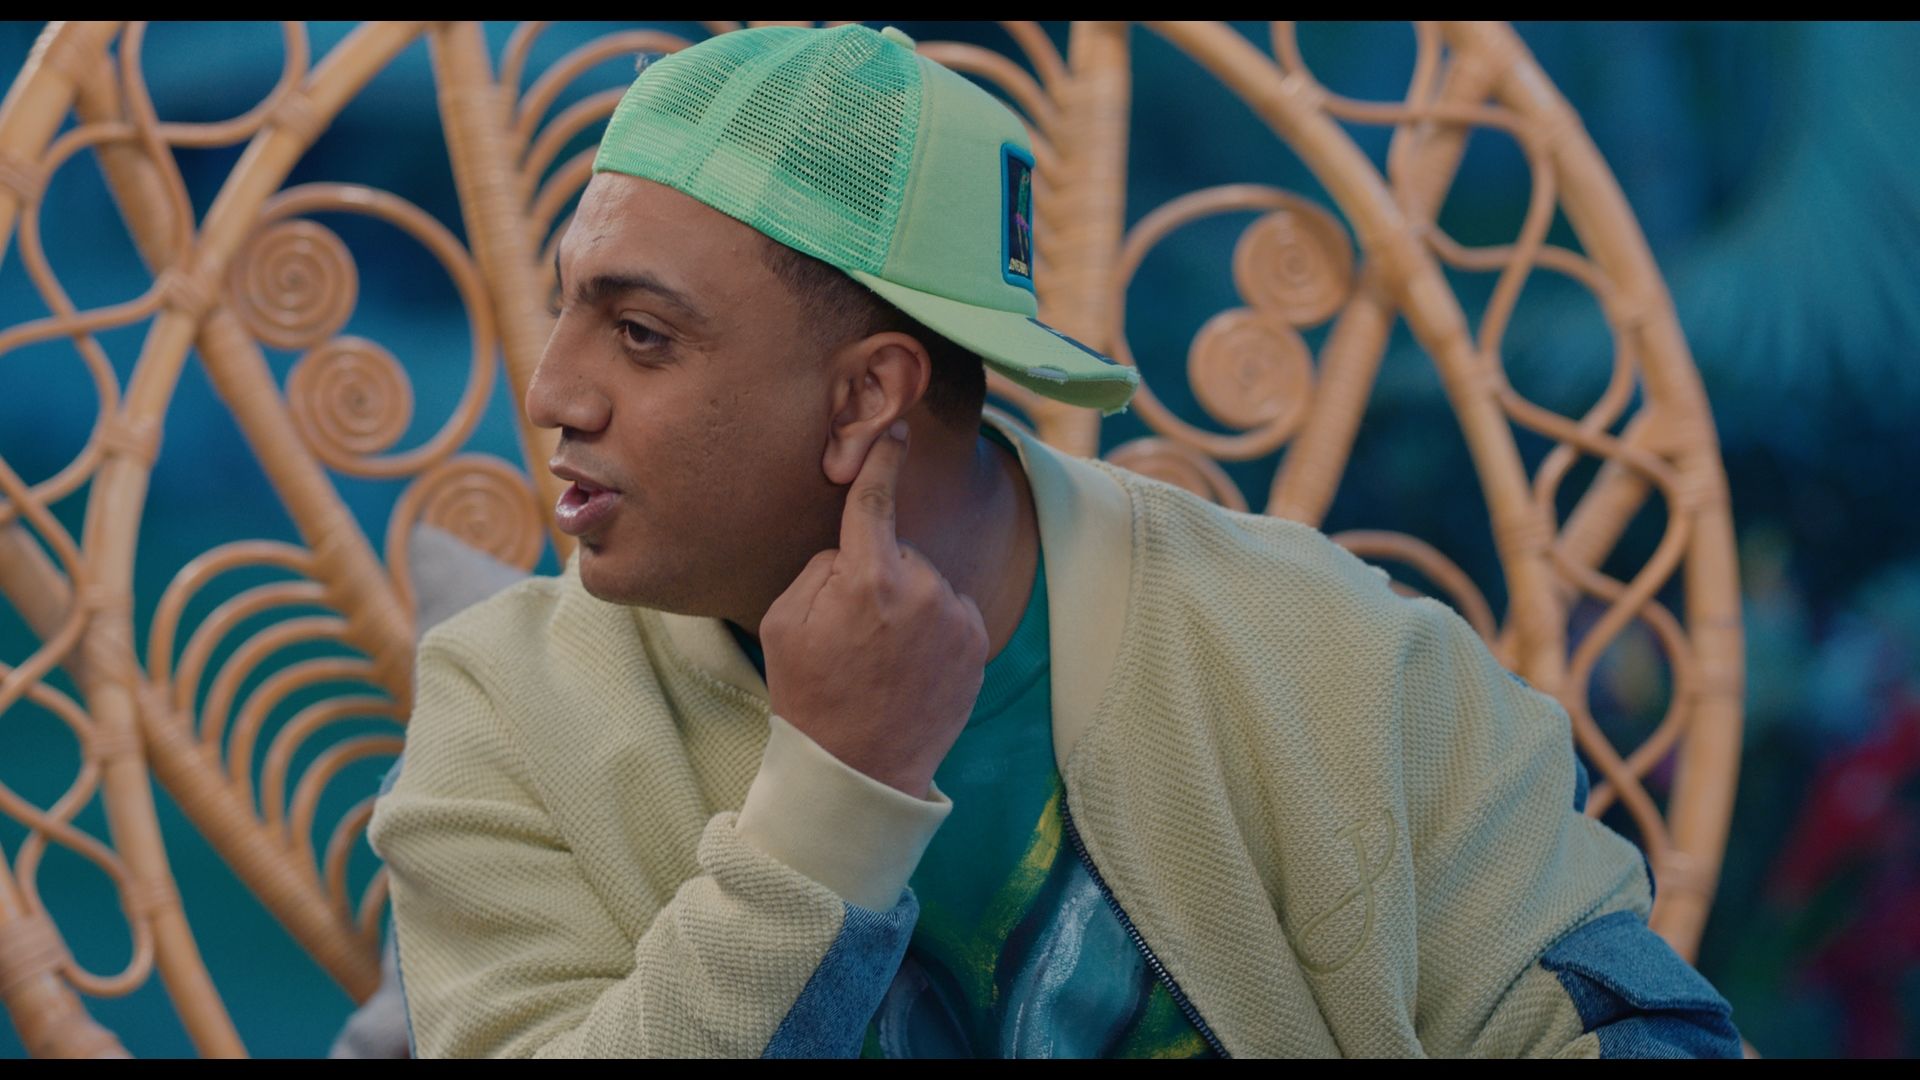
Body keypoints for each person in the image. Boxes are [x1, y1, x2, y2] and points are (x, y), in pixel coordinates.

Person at [366, 23, 1745, 1058]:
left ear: (867, 399)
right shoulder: (505, 711)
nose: (551, 390)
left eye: (640, 333)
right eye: (567, 308)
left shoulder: (1343, 664)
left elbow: (1631, 1027)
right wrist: (832, 802)